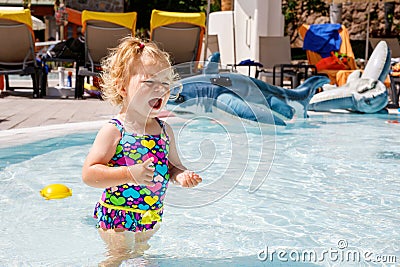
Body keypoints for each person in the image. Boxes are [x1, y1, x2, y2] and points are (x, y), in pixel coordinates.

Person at [82, 36, 202, 265]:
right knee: (119, 257)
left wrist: (182, 175)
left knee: (139, 255)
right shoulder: (114, 130)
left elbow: (171, 166)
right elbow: (89, 174)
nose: (160, 89)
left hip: (150, 217)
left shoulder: (165, 130)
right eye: (149, 82)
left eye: (165, 83)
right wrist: (129, 174)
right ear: (122, 87)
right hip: (117, 217)